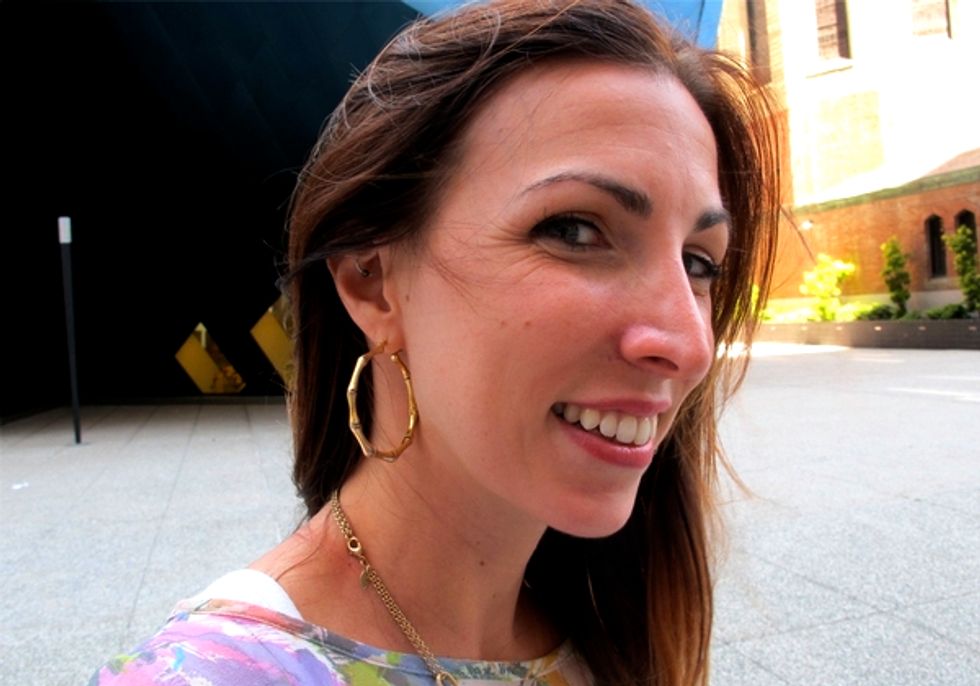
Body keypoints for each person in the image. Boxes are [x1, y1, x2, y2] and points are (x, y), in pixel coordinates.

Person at [90, 0, 779, 684]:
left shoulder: (615, 636)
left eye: (700, 263)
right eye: (574, 230)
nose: (689, 345)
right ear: (371, 282)